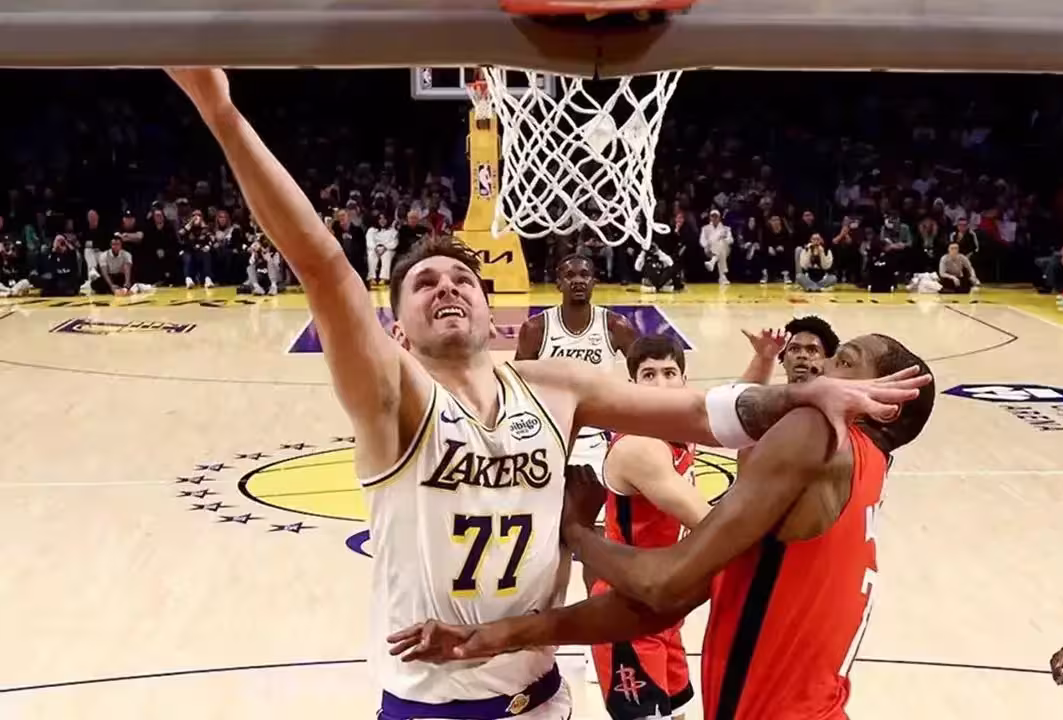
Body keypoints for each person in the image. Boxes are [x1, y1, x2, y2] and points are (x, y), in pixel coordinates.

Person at [169, 68, 930, 720]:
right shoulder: (392, 397)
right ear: (395, 330)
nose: (448, 286)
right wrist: (220, 111)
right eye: (424, 283)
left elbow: (705, 413)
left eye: (463, 278)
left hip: (543, 693)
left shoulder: (555, 387)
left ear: (491, 306)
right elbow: (324, 266)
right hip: (433, 701)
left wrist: (804, 395)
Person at [388, 334, 936, 720]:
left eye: (843, 361)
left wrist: (574, 528)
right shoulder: (863, 471)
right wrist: (503, 634)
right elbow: (670, 599)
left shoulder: (817, 434)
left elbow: (665, 584)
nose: (818, 370)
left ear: (888, 404)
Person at [590, 334, 710, 720]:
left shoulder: (681, 427)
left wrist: (764, 360)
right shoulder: (640, 448)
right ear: (633, 386)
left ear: (684, 382)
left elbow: (735, 413)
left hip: (665, 603)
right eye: (649, 375)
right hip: (630, 608)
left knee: (680, 710)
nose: (660, 384)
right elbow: (707, 523)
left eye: (669, 373)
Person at [515, 253, 638, 483]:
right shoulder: (536, 328)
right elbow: (517, 387)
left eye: (584, 275)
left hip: (598, 436)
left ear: (594, 282)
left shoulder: (615, 326)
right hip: (550, 435)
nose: (578, 280)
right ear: (558, 283)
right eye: (570, 275)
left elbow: (642, 374)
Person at [740, 315, 840, 386]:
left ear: (827, 360)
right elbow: (740, 401)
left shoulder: (839, 402)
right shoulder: (772, 401)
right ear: (784, 359)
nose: (802, 355)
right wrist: (764, 357)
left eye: (812, 350)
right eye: (794, 349)